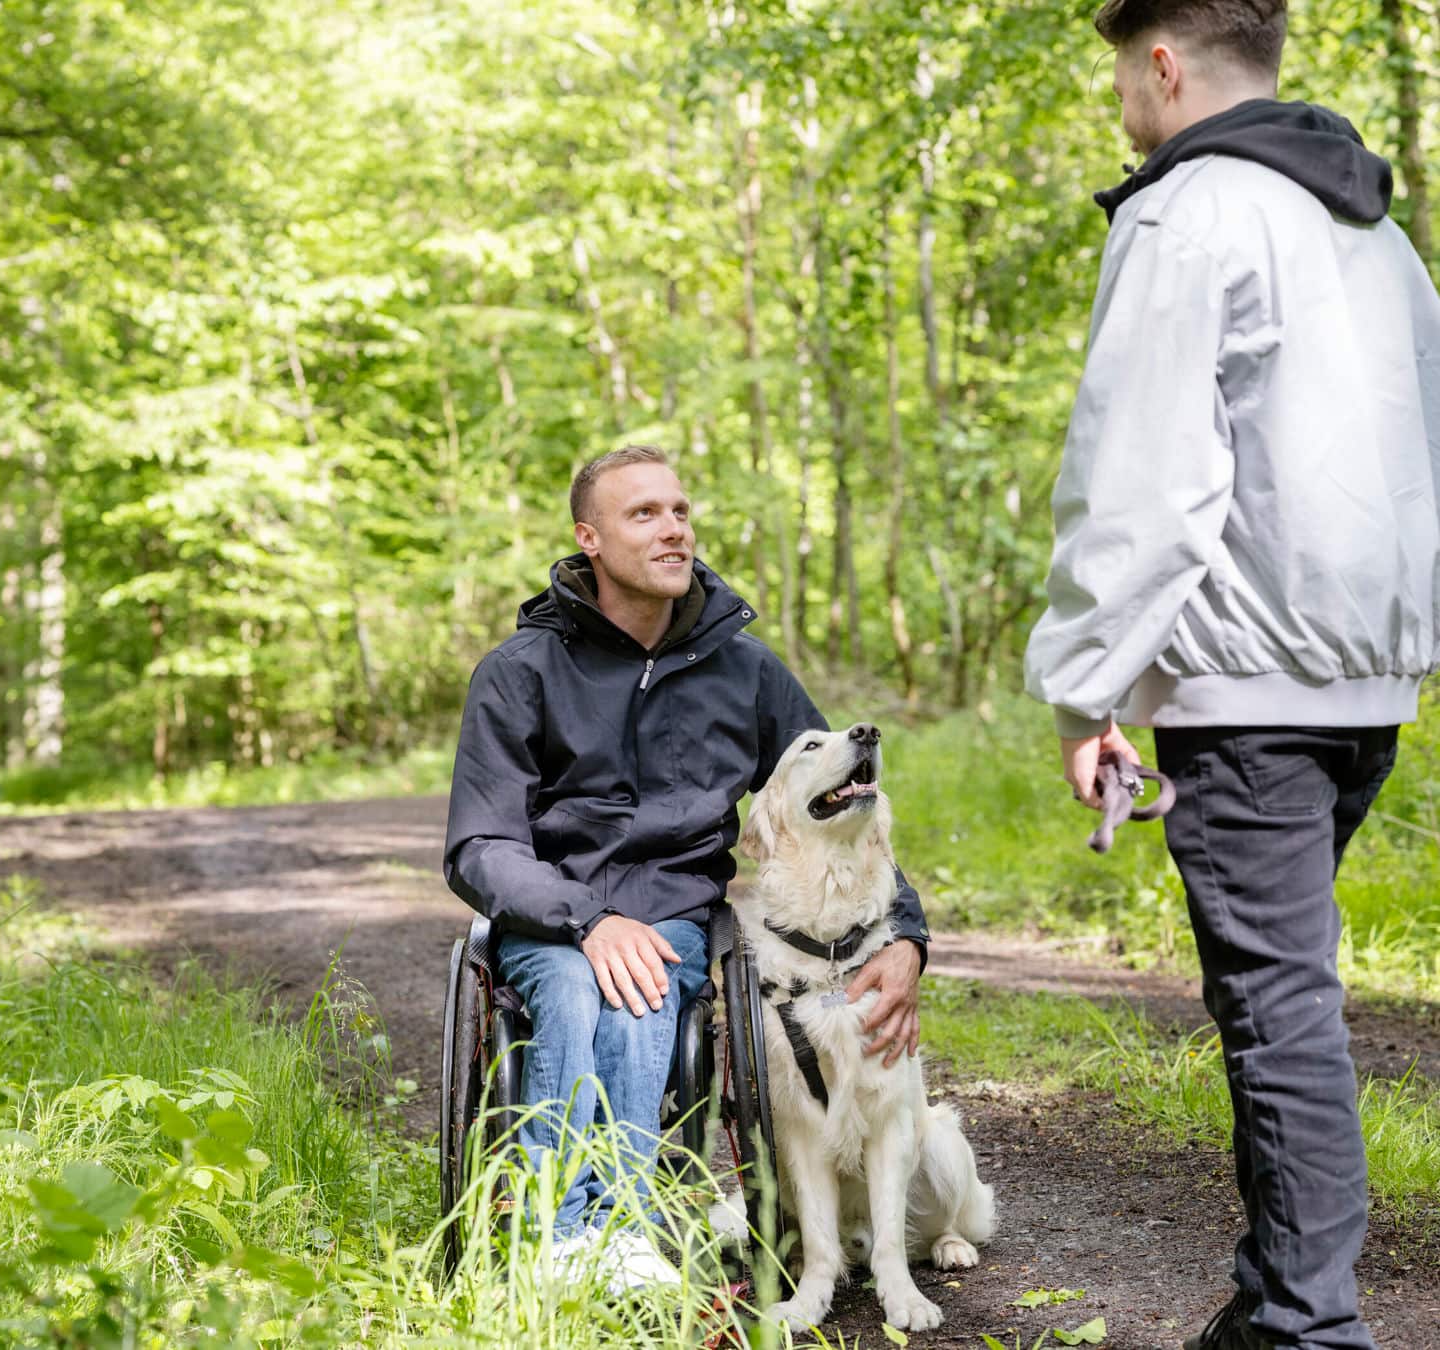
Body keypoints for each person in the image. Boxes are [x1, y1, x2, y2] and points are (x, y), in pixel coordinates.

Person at [1025, 2, 1440, 1347]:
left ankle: (1309, 1327)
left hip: (1251, 687)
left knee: (1279, 1014)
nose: (1122, 107)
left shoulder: (1188, 211)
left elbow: (1141, 478)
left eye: (1121, 78)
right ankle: (1276, 1301)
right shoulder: (1375, 233)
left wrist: (1088, 689)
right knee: (1285, 999)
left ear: (1163, 61)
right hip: (1365, 681)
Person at [444, 445, 930, 1288]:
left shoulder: (744, 670)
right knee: (573, 985)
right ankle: (560, 1235)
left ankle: (620, 1230)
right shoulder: (519, 673)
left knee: (643, 987)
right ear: (590, 537)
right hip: (551, 917)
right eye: (644, 514)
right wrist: (587, 921)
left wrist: (908, 938)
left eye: (679, 511)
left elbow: (839, 792)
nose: (673, 528)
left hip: (672, 915)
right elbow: (479, 846)